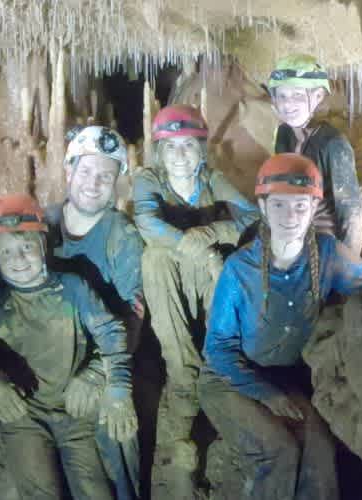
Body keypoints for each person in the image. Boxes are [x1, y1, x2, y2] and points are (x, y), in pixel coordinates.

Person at [0, 193, 138, 500]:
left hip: (74, 413)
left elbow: (111, 332)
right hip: (24, 416)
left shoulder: (73, 287)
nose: (18, 259)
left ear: (43, 246)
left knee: (94, 492)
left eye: (26, 247)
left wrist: (115, 387)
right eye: (7, 252)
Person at [199, 153, 362, 500]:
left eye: (300, 206)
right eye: (279, 205)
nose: (290, 217)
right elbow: (217, 350)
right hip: (228, 381)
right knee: (278, 450)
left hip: (284, 379)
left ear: (314, 208)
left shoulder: (327, 255)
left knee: (321, 447)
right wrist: (267, 395)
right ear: (264, 208)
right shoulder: (240, 270)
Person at [132, 104, 260, 496]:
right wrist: (198, 245)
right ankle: (181, 368)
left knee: (221, 263)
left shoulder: (212, 178)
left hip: (202, 275)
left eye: (188, 146)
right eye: (171, 148)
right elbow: (147, 222)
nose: (180, 156)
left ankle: (217, 361)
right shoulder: (148, 180)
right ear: (159, 152)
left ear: (201, 149)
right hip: (168, 277)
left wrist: (209, 237)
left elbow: (250, 216)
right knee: (155, 256)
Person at [44, 125, 147, 499]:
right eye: (86, 171)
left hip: (101, 352)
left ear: (117, 183)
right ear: (69, 171)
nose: (93, 182)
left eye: (106, 175)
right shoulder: (44, 223)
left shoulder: (122, 235)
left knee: (117, 419)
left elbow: (132, 319)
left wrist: (95, 374)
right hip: (47, 351)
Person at [269, 54, 362, 255]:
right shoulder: (284, 134)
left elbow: (352, 213)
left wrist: (348, 264)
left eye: (297, 95)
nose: (288, 105)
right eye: (282, 96)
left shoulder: (333, 145)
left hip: (323, 238)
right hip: (290, 228)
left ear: (318, 97)